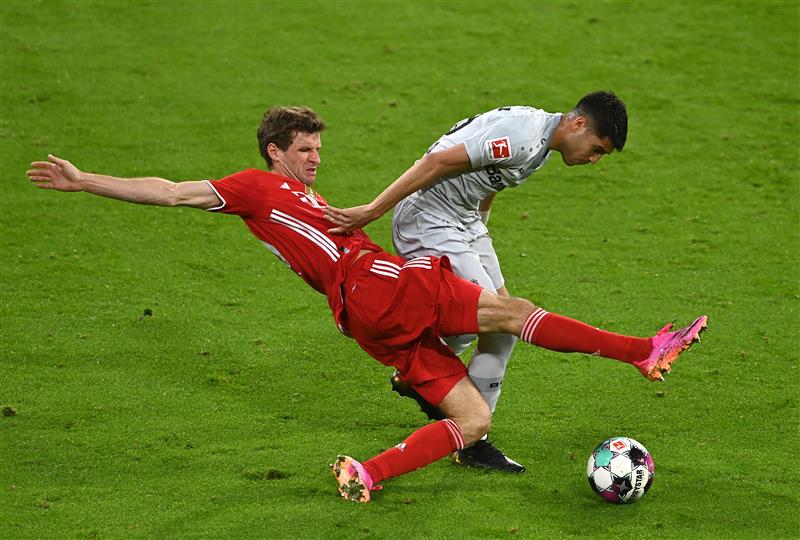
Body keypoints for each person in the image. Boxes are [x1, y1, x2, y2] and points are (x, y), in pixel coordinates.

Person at [27, 105, 707, 504]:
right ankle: (641, 352)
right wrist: (87, 181)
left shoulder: (309, 200)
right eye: (304, 151)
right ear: (274, 152)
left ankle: (367, 474)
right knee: (509, 312)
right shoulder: (256, 189)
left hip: (364, 314)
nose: (315, 160)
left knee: (471, 420)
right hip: (372, 284)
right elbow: (172, 191)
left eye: (319, 150)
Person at [323, 91, 628, 472]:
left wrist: (479, 231)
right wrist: (371, 210)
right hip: (429, 218)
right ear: (579, 124)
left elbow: (489, 179)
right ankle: (428, 381)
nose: (594, 159)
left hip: (463, 222)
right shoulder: (523, 135)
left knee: (503, 328)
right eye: (597, 149)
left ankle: (467, 434)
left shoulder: (542, 143)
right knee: (491, 319)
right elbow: (435, 162)